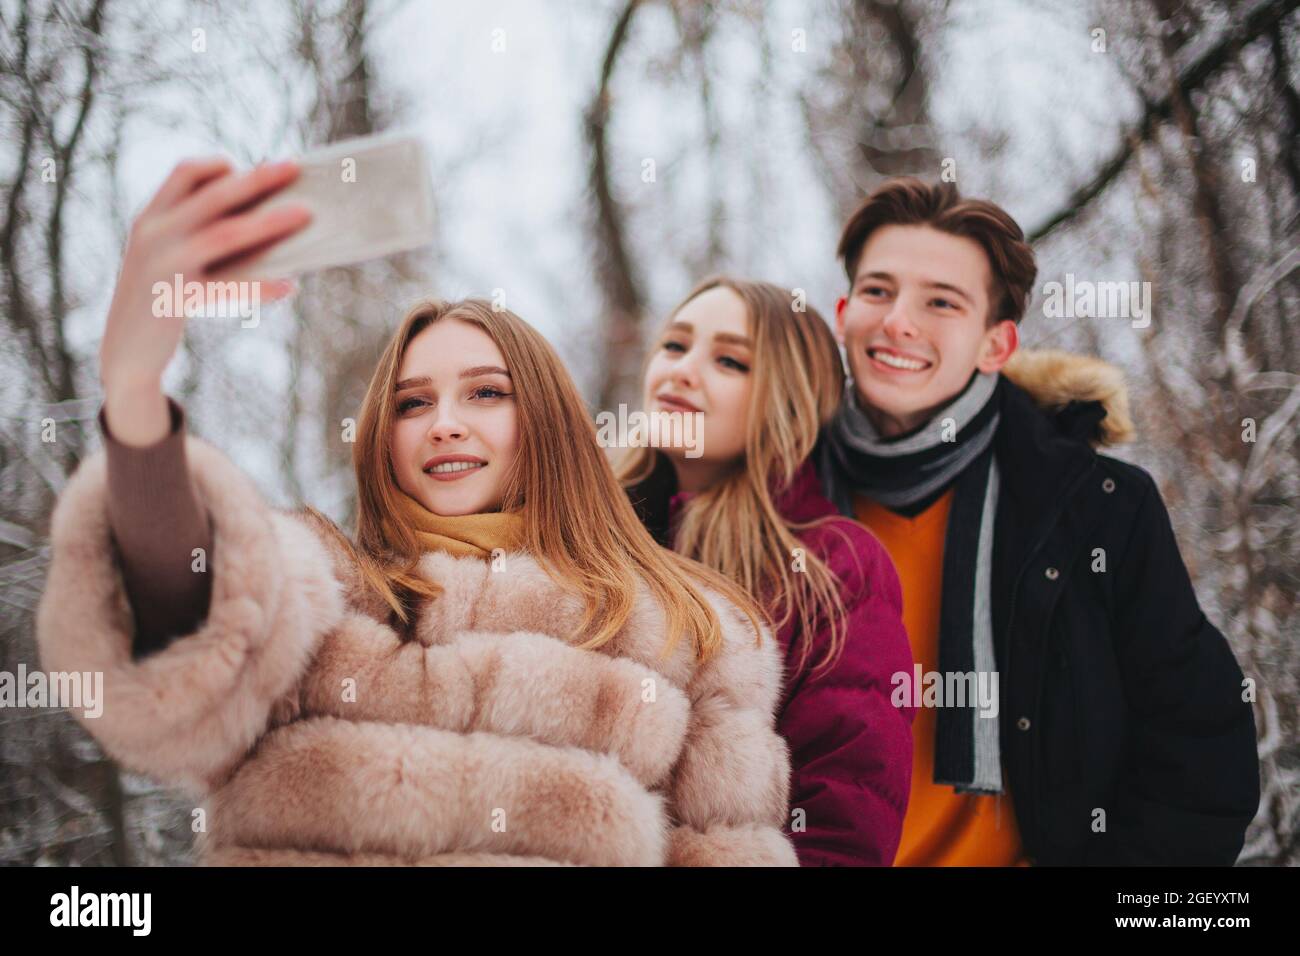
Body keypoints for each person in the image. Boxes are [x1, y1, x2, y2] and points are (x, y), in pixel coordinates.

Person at [36, 157, 799, 866]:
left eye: (486, 393)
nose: (444, 423)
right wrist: (136, 390)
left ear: (550, 423)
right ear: (381, 440)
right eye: (412, 403)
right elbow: (173, 628)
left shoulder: (688, 631)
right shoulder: (316, 599)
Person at [817, 176, 1260, 865]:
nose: (899, 321)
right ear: (844, 311)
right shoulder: (773, 499)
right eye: (878, 291)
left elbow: (1200, 751)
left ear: (996, 344)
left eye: (941, 301)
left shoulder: (1096, 508)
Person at [619, 276, 915, 865]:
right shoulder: (585, 533)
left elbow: (845, 823)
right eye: (675, 346)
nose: (683, 371)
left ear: (788, 400)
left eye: (730, 361)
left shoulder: (835, 567)